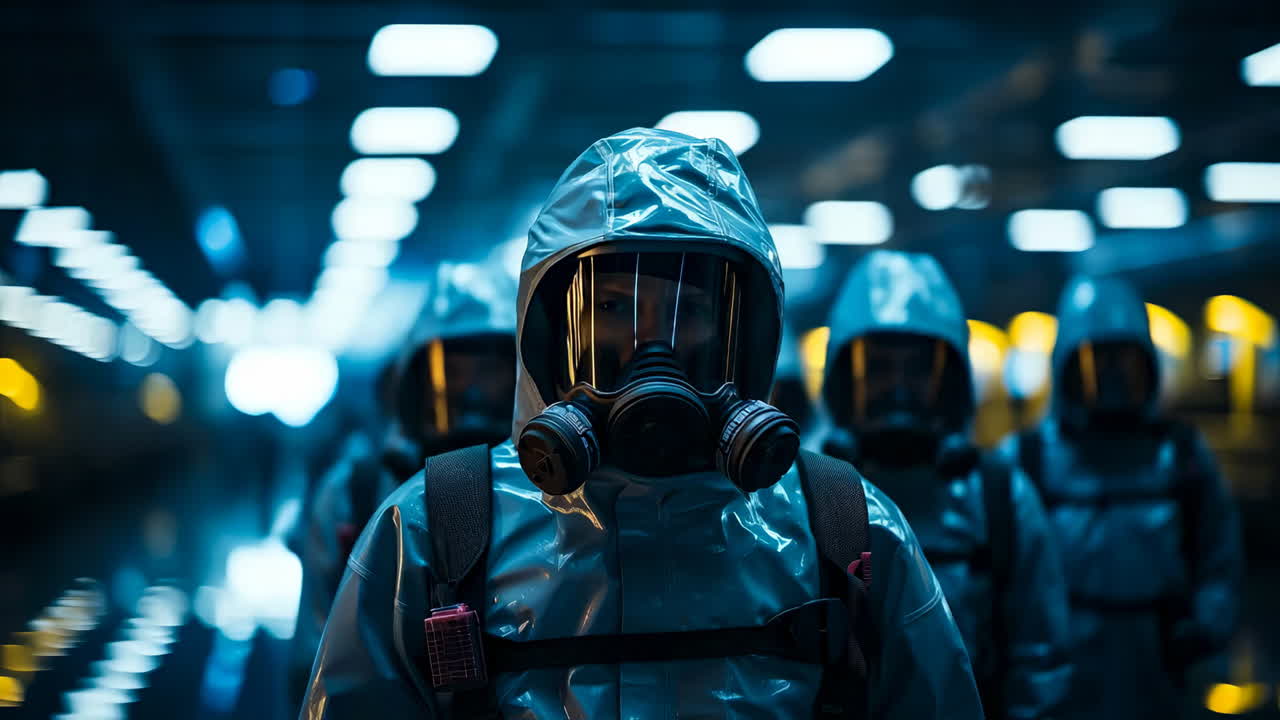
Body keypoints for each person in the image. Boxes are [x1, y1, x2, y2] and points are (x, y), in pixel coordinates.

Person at [301, 128, 983, 719]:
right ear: (548, 333)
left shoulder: (847, 528)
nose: (652, 350)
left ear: (747, 337)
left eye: (692, 312)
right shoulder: (437, 530)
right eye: (611, 309)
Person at [819, 250, 1072, 719]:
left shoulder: (999, 497)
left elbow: (1040, 659)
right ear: (843, 380)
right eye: (878, 368)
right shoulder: (807, 495)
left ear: (951, 379)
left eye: (918, 368)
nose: (898, 386)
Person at [1000, 275, 1242, 720]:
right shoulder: (1026, 460)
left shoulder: (1181, 456)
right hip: (1058, 683)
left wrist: (1204, 628)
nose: (1110, 378)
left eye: (1124, 363)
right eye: (1095, 362)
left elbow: (1218, 555)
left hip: (1160, 678)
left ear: (1148, 366)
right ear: (1065, 367)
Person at [291, 262, 516, 703]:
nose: (469, 391)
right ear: (413, 384)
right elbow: (316, 656)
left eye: (488, 371)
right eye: (451, 372)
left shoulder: (555, 494)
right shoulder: (356, 494)